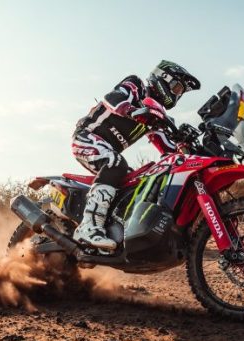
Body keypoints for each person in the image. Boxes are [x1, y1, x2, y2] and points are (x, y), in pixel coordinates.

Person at [71, 60, 201, 250]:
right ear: (164, 78)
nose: (177, 94)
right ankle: (88, 227)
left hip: (107, 149)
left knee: (137, 183)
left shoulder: (155, 114)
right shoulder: (136, 86)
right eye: (177, 88)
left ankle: (115, 231)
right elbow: (113, 99)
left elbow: (167, 149)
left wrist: (186, 149)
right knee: (115, 163)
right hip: (86, 137)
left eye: (180, 92)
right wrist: (132, 110)